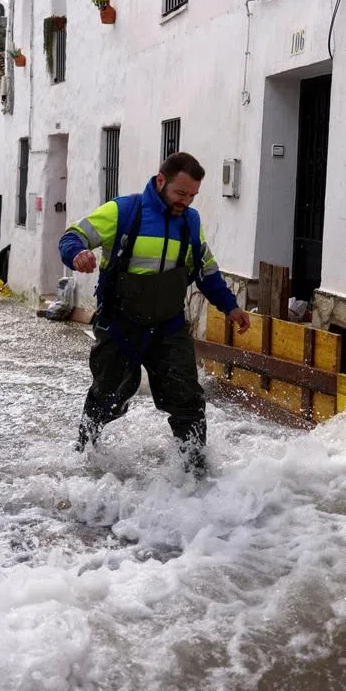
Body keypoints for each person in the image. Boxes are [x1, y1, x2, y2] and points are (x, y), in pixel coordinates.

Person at [59, 152, 251, 478]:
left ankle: (194, 472)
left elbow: (205, 272)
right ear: (161, 181)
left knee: (187, 399)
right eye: (180, 193)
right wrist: (77, 253)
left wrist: (230, 307)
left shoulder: (190, 223)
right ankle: (85, 456)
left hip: (168, 326)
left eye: (192, 195)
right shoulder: (123, 211)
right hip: (120, 324)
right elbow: (72, 236)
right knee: (109, 396)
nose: (185, 201)